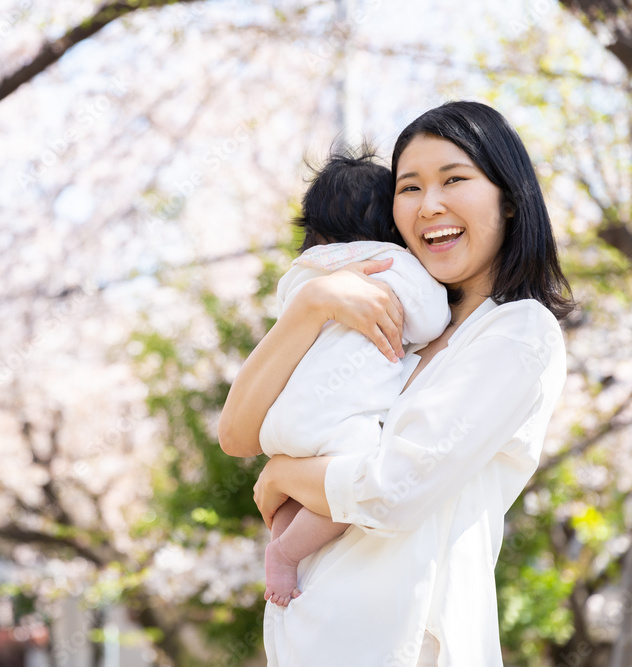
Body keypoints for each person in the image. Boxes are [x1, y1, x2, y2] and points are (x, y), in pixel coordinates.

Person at [218, 101, 573, 666]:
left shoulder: (517, 333)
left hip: (408, 646)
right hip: (309, 632)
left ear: (508, 198)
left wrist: (285, 473)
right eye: (408, 188)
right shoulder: (382, 321)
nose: (430, 205)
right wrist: (310, 304)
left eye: (454, 179)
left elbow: (392, 490)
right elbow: (237, 436)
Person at [260, 146, 451, 607]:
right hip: (338, 421)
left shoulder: (303, 274)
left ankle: (282, 550)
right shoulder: (392, 264)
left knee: (299, 498)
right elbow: (430, 321)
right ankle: (285, 554)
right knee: (353, 483)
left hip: (283, 419)